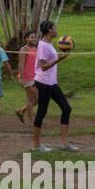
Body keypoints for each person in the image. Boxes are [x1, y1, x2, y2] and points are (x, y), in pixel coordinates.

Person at [32, 20, 75, 153]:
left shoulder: (49, 44)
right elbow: (43, 67)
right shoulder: (43, 45)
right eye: (55, 28)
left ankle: (63, 144)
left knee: (66, 109)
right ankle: (35, 146)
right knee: (42, 112)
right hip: (43, 82)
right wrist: (58, 59)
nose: (57, 30)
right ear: (50, 30)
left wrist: (60, 55)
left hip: (51, 83)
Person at [14, 31, 39, 125]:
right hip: (27, 77)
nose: (34, 39)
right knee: (30, 99)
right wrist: (21, 77)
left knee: (37, 100)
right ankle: (31, 121)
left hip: (35, 77)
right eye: (32, 37)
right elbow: (20, 64)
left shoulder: (36, 49)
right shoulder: (24, 49)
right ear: (26, 38)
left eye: (35, 37)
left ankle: (20, 111)